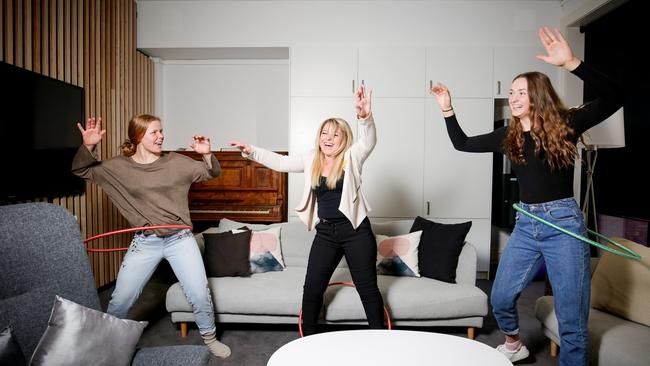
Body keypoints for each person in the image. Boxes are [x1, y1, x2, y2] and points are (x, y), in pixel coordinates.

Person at [430, 27, 622, 365]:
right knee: (501, 296)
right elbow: (462, 143)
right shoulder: (509, 135)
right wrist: (448, 109)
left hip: (564, 225)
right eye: (512, 92)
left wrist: (574, 62)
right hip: (527, 224)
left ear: (538, 96)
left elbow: (616, 96)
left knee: (572, 319)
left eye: (521, 92)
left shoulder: (567, 123)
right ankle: (514, 344)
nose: (514, 97)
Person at [72, 114, 231, 358]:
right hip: (146, 242)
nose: (161, 136)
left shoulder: (176, 162)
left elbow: (211, 173)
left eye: (161, 131)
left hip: (180, 240)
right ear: (138, 137)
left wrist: (206, 154)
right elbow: (81, 169)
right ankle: (107, 340)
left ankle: (209, 338)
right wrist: (89, 146)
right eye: (154, 132)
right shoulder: (119, 167)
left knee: (199, 293)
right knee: (122, 298)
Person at [230, 85, 385, 336]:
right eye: (325, 133)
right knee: (312, 288)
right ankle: (308, 341)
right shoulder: (312, 158)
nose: (329, 138)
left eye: (335, 135)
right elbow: (280, 162)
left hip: (355, 232)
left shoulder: (352, 156)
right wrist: (252, 151)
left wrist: (365, 117)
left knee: (367, 289)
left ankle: (382, 342)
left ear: (344, 138)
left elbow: (369, 141)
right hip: (326, 233)